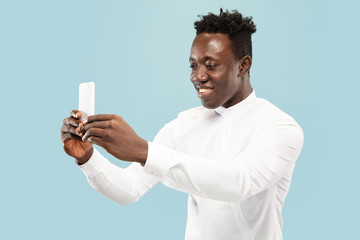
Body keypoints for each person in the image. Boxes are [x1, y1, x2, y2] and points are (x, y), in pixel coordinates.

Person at [61, 9, 304, 240]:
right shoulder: (182, 126)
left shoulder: (280, 128)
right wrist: (88, 159)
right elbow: (129, 189)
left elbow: (238, 183)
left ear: (243, 65)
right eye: (193, 65)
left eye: (210, 65)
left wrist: (143, 151)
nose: (197, 76)